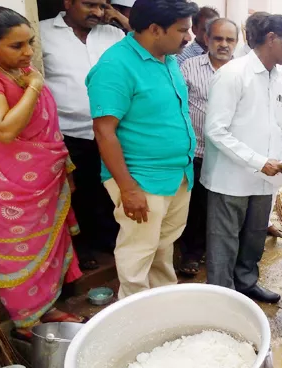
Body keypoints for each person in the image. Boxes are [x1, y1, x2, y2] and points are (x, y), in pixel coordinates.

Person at [0, 7, 87, 341]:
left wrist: (63, 167)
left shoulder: (20, 69)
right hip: (8, 187)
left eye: (30, 43)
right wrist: (35, 85)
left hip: (44, 179)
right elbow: (4, 130)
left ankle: (44, 306)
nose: (27, 52)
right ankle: (25, 321)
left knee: (49, 244)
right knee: (20, 250)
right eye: (16, 46)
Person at [86, 0, 199, 299]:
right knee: (138, 252)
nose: (189, 37)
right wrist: (129, 189)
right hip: (141, 178)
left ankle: (162, 305)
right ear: (154, 29)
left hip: (178, 174)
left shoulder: (168, 58)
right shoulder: (115, 65)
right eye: (182, 30)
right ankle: (134, 315)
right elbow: (104, 131)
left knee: (163, 247)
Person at [202, 14, 282, 303]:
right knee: (225, 242)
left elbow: (280, 128)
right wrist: (259, 161)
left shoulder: (279, 77)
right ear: (272, 38)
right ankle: (223, 298)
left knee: (254, 237)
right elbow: (216, 131)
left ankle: (246, 284)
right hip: (231, 178)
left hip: (266, 178)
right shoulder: (234, 74)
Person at [40, 0, 126, 270]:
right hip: (66, 131)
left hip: (111, 130)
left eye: (103, 6)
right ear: (68, 2)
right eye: (90, 5)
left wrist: (122, 20)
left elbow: (147, 41)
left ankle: (107, 239)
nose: (98, 13)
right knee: (76, 194)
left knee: (108, 189)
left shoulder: (113, 34)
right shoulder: (42, 32)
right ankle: (83, 247)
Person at [176, 18, 239, 276]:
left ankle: (222, 257)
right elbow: (177, 105)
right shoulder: (188, 67)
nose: (224, 44)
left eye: (230, 40)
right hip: (198, 152)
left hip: (230, 154)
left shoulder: (242, 70)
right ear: (206, 39)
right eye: (218, 39)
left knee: (224, 208)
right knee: (196, 207)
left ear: (237, 42)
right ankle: (191, 254)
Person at [240, 11, 282, 239]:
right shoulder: (240, 65)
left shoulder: (281, 63)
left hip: (280, 130)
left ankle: (264, 223)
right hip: (252, 143)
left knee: (271, 186)